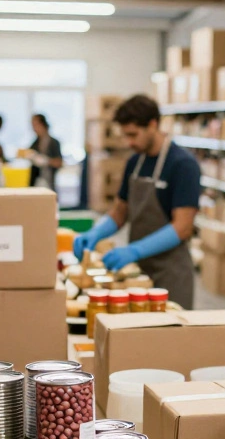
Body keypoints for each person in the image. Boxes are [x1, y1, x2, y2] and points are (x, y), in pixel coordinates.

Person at [71, 95, 201, 308]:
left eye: (133, 135)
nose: (129, 142)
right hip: (137, 271)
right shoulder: (134, 162)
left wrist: (135, 250)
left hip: (171, 272)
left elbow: (183, 227)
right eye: (125, 136)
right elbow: (120, 211)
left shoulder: (182, 165)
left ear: (153, 124)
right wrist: (96, 232)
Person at [28, 113, 64, 189]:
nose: (33, 128)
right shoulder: (35, 143)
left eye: (35, 125)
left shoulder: (53, 143)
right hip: (35, 182)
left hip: (49, 182)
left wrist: (46, 161)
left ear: (43, 124)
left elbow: (59, 163)